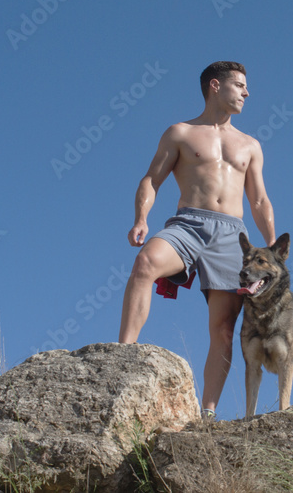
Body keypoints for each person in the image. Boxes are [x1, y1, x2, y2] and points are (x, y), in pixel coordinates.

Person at [118, 61, 275, 418]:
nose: (246, 93)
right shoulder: (181, 132)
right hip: (188, 223)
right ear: (215, 86)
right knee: (145, 264)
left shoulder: (250, 145)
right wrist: (141, 218)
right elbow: (151, 179)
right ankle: (122, 356)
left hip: (232, 235)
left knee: (223, 328)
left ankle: (207, 412)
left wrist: (269, 249)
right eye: (239, 85)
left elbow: (259, 199)